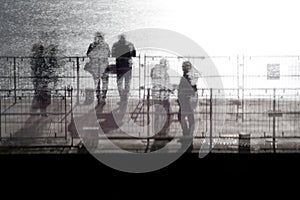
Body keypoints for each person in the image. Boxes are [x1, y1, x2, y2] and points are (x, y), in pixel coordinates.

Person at [150, 58, 172, 151]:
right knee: (166, 115)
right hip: (162, 96)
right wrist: (171, 88)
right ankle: (163, 134)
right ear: (165, 64)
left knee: (157, 115)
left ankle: (158, 133)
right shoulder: (163, 72)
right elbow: (164, 84)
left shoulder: (154, 70)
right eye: (167, 65)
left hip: (156, 95)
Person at [177, 61, 200, 152]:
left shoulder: (188, 77)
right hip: (185, 101)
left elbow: (192, 89)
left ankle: (187, 136)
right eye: (184, 66)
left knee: (185, 118)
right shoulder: (186, 77)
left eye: (185, 66)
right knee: (187, 118)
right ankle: (187, 135)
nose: (184, 68)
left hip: (186, 101)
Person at [85, 31, 110, 104]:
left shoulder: (92, 45)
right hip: (104, 66)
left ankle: (98, 95)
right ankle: (104, 96)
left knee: (97, 81)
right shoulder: (105, 45)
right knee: (105, 81)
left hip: (95, 66)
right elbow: (108, 54)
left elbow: (88, 54)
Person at [111, 34, 136, 103]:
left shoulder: (115, 45)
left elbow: (113, 55)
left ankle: (122, 97)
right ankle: (126, 98)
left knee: (119, 83)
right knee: (127, 83)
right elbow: (134, 54)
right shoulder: (130, 44)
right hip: (128, 66)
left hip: (119, 66)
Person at [30, 43, 51, 117]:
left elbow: (34, 69)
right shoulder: (40, 59)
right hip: (41, 79)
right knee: (42, 95)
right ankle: (41, 112)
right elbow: (42, 69)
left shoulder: (35, 58)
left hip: (38, 79)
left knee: (39, 94)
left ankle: (36, 111)